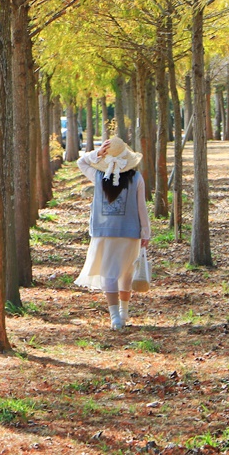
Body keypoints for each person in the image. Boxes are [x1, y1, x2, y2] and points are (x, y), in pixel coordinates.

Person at [75, 136, 151, 331]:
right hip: (130, 231)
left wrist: (96, 154)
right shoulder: (136, 178)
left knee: (109, 273)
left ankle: (115, 317)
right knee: (127, 272)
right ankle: (124, 313)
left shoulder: (98, 176)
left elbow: (81, 162)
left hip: (104, 232)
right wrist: (145, 232)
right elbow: (141, 207)